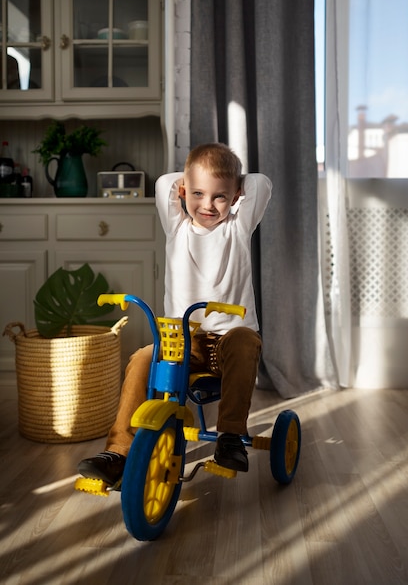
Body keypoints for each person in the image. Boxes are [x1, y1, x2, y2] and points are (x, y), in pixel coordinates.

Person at [78, 142, 272, 486]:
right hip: (183, 340)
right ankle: (119, 450)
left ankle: (229, 437)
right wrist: (190, 181)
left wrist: (235, 183)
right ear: (183, 190)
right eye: (197, 193)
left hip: (231, 336)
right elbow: (161, 183)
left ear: (237, 195)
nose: (208, 205)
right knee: (142, 359)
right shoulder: (178, 228)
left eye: (220, 197)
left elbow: (261, 183)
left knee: (245, 343)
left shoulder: (237, 229)